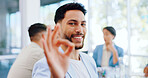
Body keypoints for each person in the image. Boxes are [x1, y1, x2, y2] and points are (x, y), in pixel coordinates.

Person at [32, 3, 98, 78]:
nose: (80, 30)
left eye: (83, 24)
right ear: (58, 28)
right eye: (72, 23)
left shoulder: (89, 60)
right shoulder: (45, 64)